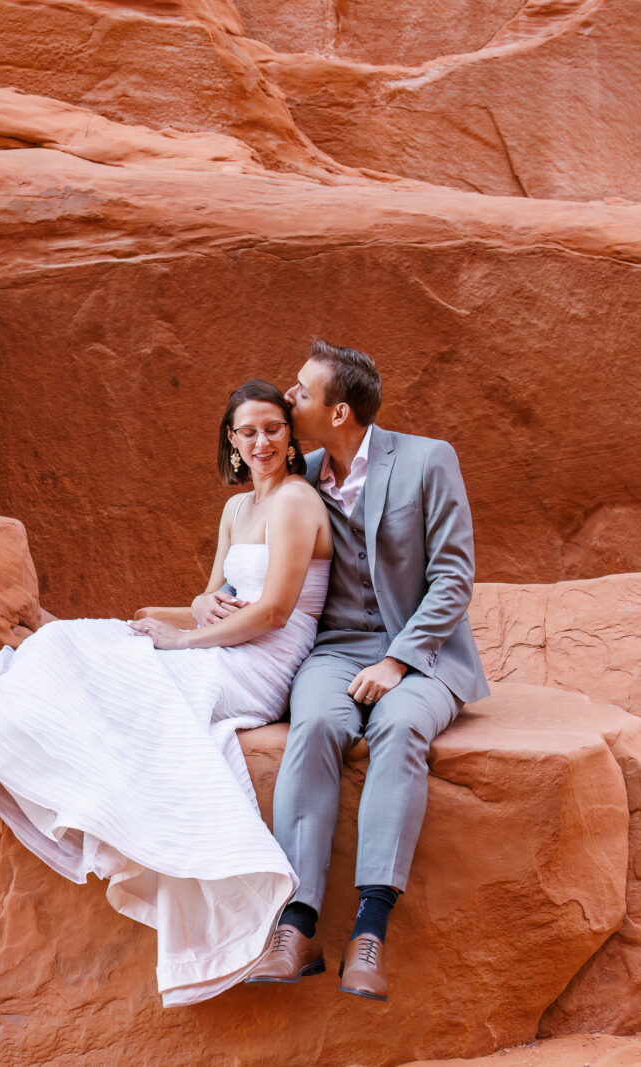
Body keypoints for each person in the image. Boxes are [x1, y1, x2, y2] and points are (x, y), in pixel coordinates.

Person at [0, 379, 332, 1007]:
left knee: (91, 660)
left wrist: (179, 642)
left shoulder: (296, 502)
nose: (262, 442)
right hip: (218, 643)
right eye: (248, 432)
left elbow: (275, 612)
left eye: (273, 429)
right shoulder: (238, 509)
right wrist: (197, 608)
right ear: (231, 441)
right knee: (63, 644)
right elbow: (211, 593)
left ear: (291, 436)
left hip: (257, 666)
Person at [244, 341, 489, 1002]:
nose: (289, 398)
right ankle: (297, 926)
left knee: (402, 725)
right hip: (335, 648)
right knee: (317, 722)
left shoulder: (427, 460)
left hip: (425, 654)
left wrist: (397, 659)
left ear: (341, 410)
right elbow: (262, 558)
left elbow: (453, 578)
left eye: (301, 390)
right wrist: (214, 600)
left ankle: (370, 930)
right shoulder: (304, 473)